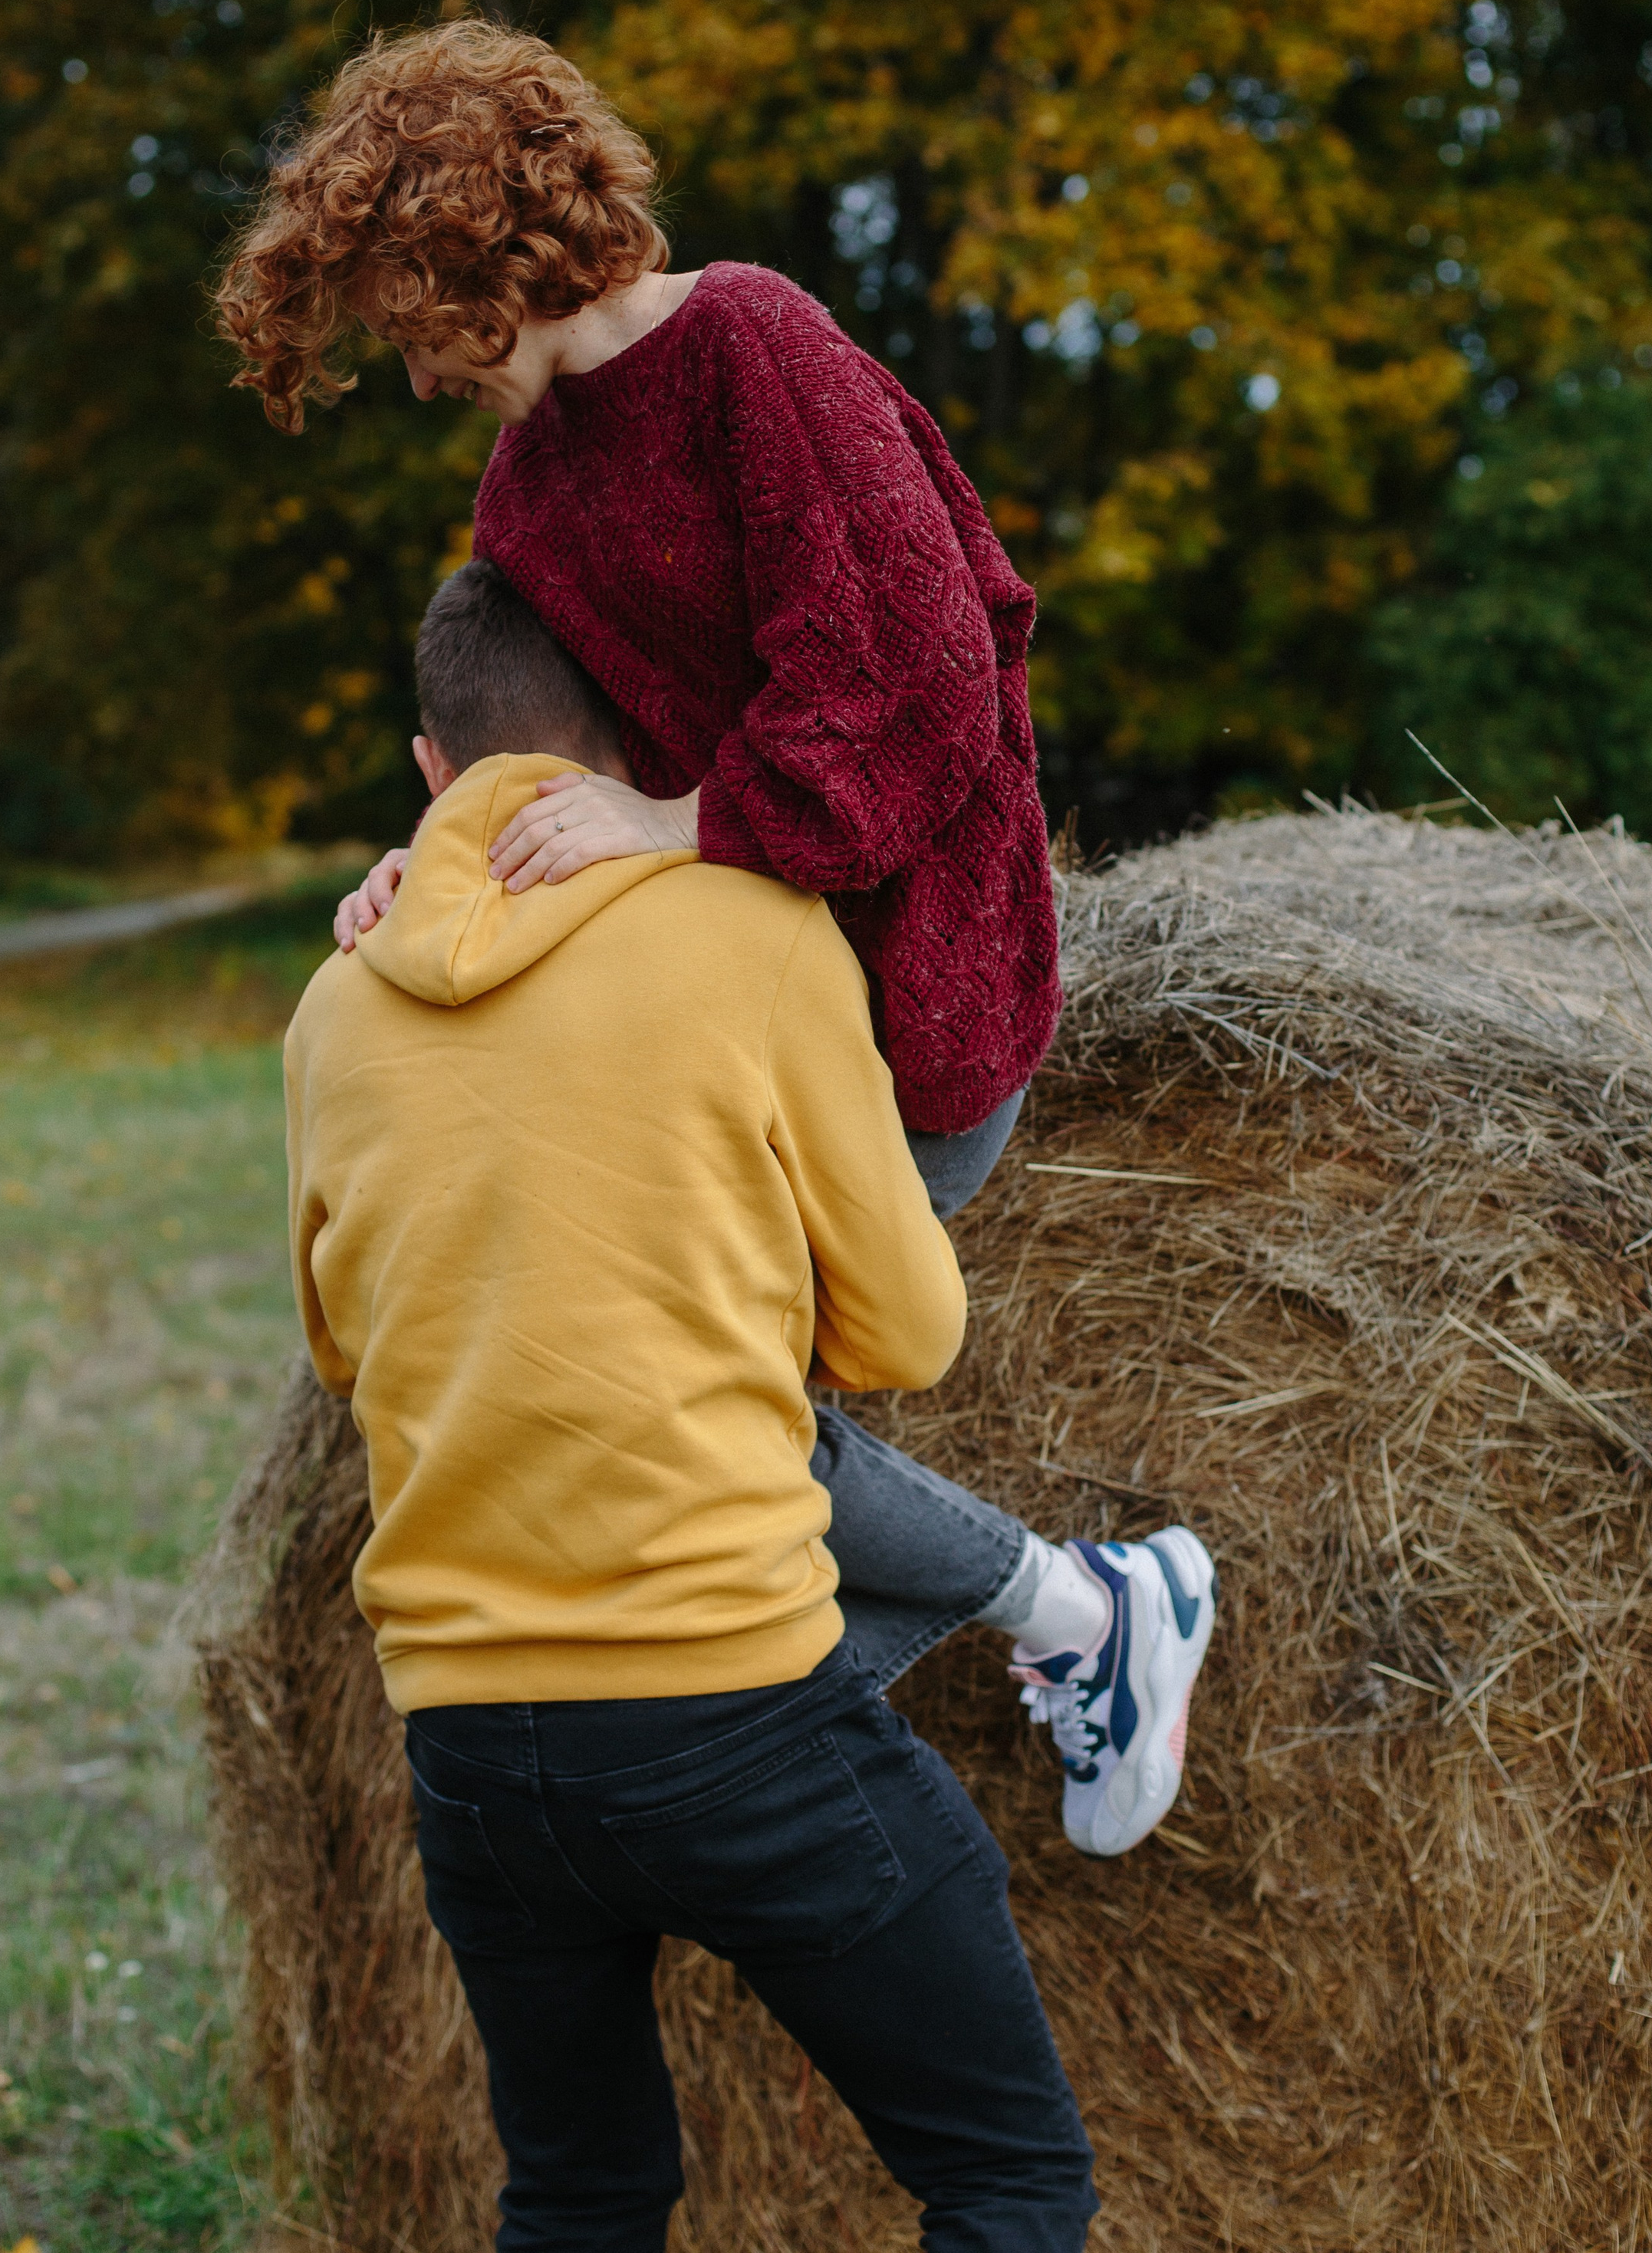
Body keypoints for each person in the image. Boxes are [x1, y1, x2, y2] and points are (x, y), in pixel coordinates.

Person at [219, 16, 1216, 1860]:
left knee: (701, 1420)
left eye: (403, 317)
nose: (419, 373)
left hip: (904, 1007)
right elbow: (548, 769)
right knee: (641, 1410)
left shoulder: (753, 345)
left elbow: (925, 679)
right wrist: (426, 862)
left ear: (473, 255)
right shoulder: (526, 492)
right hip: (723, 1019)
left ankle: (1089, 1614)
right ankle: (919, 1685)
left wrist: (690, 824)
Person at [283, 561, 1100, 2247]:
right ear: (644, 746)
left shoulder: (331, 1007)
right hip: (728, 1713)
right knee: (1009, 2184)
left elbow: (342, 1350)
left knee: (582, 2195)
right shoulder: (748, 934)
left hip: (470, 1758)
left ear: (430, 774)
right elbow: (906, 1334)